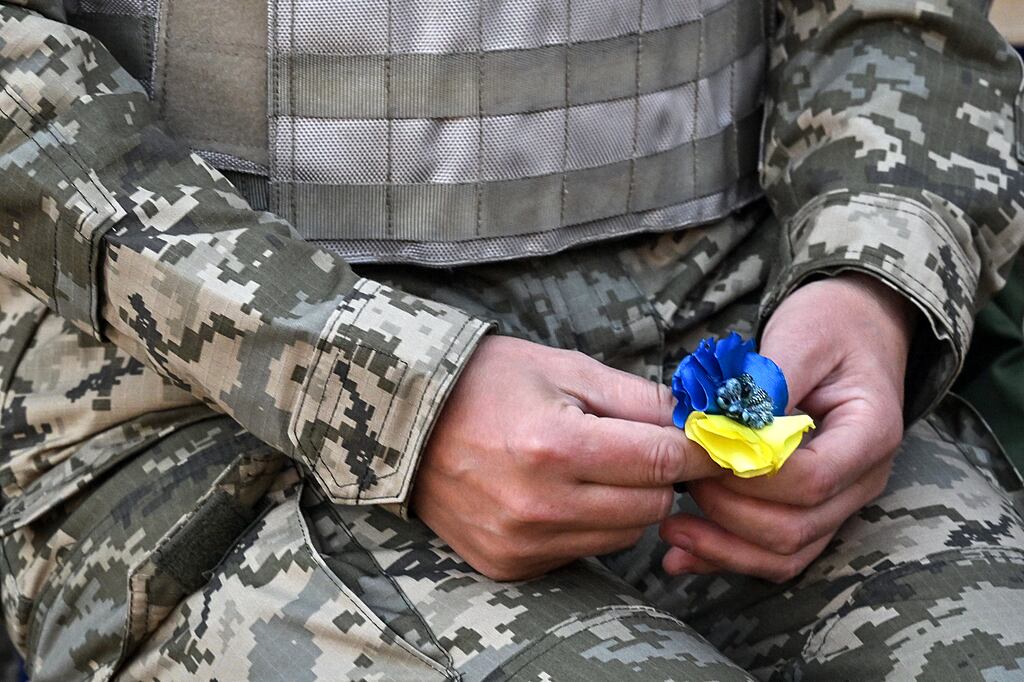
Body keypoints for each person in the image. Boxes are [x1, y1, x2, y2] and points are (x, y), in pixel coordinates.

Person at [1, 0, 1023, 679]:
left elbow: (897, 17)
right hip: (206, 401)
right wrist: (387, 386)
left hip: (739, 344)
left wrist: (871, 277)